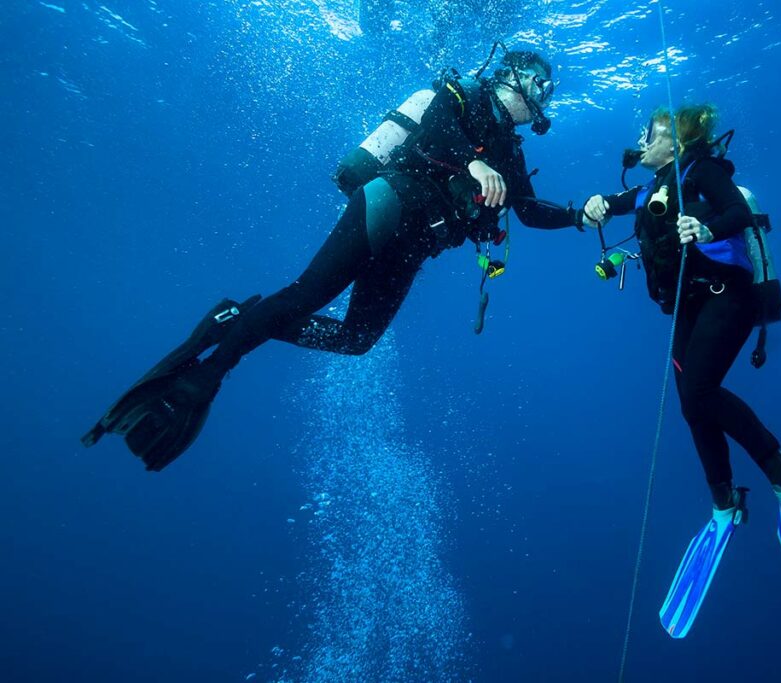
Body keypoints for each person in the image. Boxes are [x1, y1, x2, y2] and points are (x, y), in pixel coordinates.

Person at [82, 47, 585, 471]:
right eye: (542, 84)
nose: (546, 96)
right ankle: (208, 374)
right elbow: (433, 129)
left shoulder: (509, 152)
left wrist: (586, 213)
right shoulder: (462, 95)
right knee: (306, 294)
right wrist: (473, 161)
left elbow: (530, 211)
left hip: (412, 246)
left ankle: (234, 321)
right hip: (391, 203)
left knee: (356, 340)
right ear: (514, 77)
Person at [580, 104, 781, 638]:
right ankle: (723, 501)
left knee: (699, 389)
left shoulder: (705, 171)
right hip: (690, 307)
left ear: (678, 137)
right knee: (692, 404)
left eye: (652, 133)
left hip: (728, 296)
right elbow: (623, 203)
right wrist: (598, 204)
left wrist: (704, 224)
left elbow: (737, 213)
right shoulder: (653, 188)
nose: (642, 139)